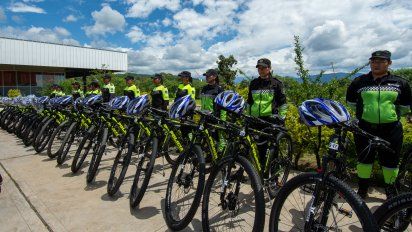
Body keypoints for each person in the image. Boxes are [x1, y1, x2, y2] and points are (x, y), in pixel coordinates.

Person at [346, 50, 412, 199]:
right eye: (373, 61)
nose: (376, 64)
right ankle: (362, 190)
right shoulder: (359, 81)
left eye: (381, 61)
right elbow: (351, 103)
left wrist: (391, 116)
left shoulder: (400, 82)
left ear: (389, 63)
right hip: (364, 128)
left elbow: (405, 106)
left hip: (391, 129)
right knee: (364, 160)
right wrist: (363, 115)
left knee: (390, 163)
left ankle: (390, 192)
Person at [247, 58, 287, 168]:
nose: (260, 70)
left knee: (274, 149)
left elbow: (283, 103)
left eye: (263, 67)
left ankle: (274, 175)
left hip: (271, 120)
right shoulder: (253, 83)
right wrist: (248, 117)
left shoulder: (277, 84)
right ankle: (261, 172)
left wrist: (281, 119)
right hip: (256, 120)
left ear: (269, 68)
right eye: (259, 68)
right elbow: (249, 102)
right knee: (260, 148)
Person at [201, 68, 226, 151]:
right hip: (205, 118)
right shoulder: (204, 88)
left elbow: (223, 107)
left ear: (214, 77)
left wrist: (222, 120)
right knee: (206, 139)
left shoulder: (219, 89)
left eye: (208, 76)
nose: (206, 77)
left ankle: (220, 156)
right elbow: (203, 103)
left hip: (215, 118)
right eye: (206, 76)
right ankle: (209, 155)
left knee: (217, 139)